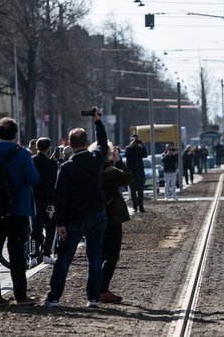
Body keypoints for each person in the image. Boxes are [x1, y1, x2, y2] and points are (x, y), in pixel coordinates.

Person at [45, 108, 108, 308]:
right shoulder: (96, 159)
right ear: (87, 143)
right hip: (98, 214)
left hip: (75, 219)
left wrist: (60, 222)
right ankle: (93, 298)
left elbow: (60, 196)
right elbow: (104, 144)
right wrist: (98, 122)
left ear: (70, 145)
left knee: (65, 257)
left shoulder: (66, 168)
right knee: (95, 256)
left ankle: (54, 298)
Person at [0, 117, 40, 307]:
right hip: (18, 209)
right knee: (16, 253)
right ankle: (21, 296)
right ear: (15, 135)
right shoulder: (21, 154)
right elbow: (33, 179)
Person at [100, 142, 132, 303]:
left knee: (96, 256)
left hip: (94, 219)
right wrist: (118, 160)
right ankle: (102, 289)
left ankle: (93, 289)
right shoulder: (111, 172)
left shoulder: (91, 171)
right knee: (112, 256)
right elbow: (128, 177)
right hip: (111, 219)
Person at [32, 137, 58, 265]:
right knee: (50, 226)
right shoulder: (53, 164)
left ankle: (33, 255)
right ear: (48, 148)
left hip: (35, 199)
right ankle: (47, 253)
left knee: (35, 228)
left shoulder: (32, 161)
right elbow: (54, 181)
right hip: (49, 199)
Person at [124, 136, 148, 213]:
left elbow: (145, 155)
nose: (135, 143)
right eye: (133, 141)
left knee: (141, 192)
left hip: (140, 174)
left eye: (136, 141)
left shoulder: (140, 148)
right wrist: (131, 145)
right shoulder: (128, 148)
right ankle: (135, 207)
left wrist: (143, 145)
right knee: (133, 192)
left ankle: (141, 207)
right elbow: (126, 154)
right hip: (132, 174)